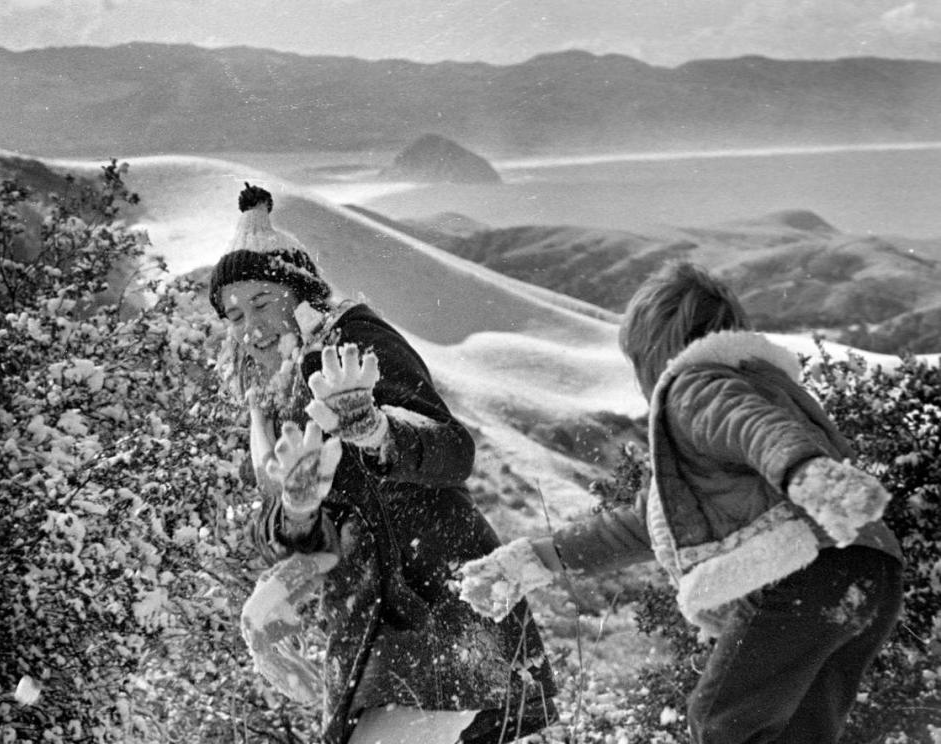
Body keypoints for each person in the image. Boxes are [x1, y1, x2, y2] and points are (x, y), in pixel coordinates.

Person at [459, 261, 903, 744]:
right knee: (800, 733)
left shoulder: (695, 388)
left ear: (655, 351)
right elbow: (642, 524)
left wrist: (804, 472)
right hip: (870, 570)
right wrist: (534, 559)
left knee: (721, 722)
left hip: (804, 572)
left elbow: (753, 427)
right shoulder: (764, 387)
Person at [210, 183, 558, 744]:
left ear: (299, 294)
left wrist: (376, 431)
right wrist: (299, 508)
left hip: (436, 592)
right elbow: (299, 534)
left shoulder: (350, 343)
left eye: (260, 302)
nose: (248, 327)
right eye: (233, 314)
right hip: (373, 613)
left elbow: (452, 451)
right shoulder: (268, 396)